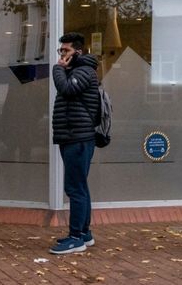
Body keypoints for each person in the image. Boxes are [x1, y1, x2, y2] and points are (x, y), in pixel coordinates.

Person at [49, 32, 100, 255]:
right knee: (80, 186)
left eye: (65, 51)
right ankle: (85, 233)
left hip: (78, 138)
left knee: (75, 188)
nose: (61, 55)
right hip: (72, 136)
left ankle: (75, 237)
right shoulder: (75, 71)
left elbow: (67, 89)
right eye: (60, 51)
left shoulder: (84, 72)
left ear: (77, 52)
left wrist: (57, 69)